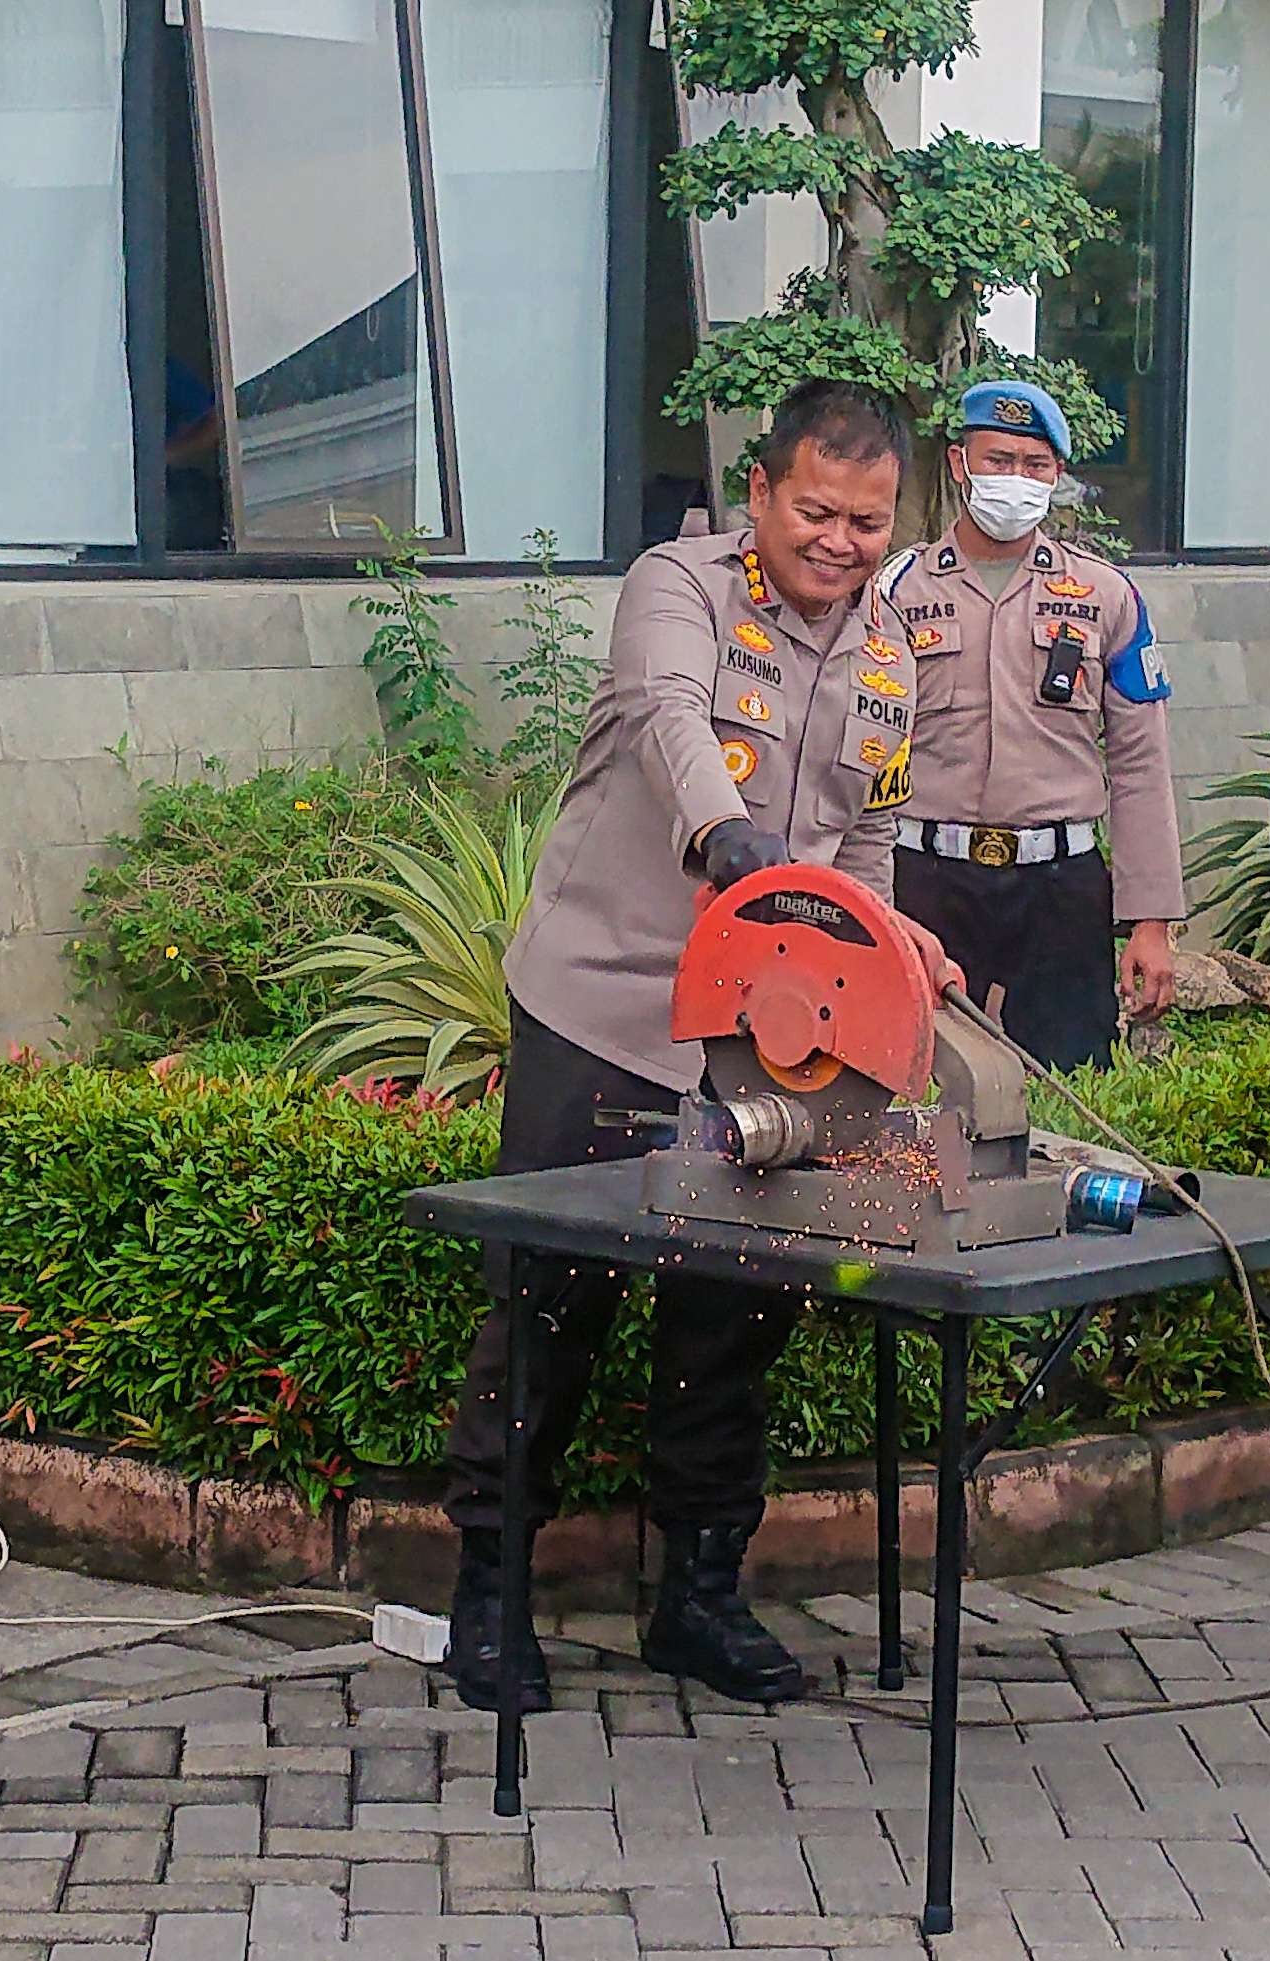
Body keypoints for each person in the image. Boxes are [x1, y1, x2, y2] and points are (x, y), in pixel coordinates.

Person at [445, 380, 954, 1713]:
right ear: (762, 494)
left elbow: (874, 837)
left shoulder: (894, 644)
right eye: (816, 511)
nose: (840, 542)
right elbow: (675, 719)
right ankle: (489, 1599)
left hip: (766, 1042)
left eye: (867, 519)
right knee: (551, 1302)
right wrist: (732, 846)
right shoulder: (679, 584)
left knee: (733, 1315)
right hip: (607, 1001)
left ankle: (699, 1598)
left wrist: (889, 963)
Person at [882, 380, 1185, 1071]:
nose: (1014, 480)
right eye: (998, 460)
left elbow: (1140, 766)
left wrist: (1151, 921)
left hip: (1060, 888)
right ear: (959, 464)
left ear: (1056, 477)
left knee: (1069, 1087)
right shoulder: (896, 591)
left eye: (1034, 465)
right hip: (926, 880)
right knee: (914, 1084)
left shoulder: (1107, 596)